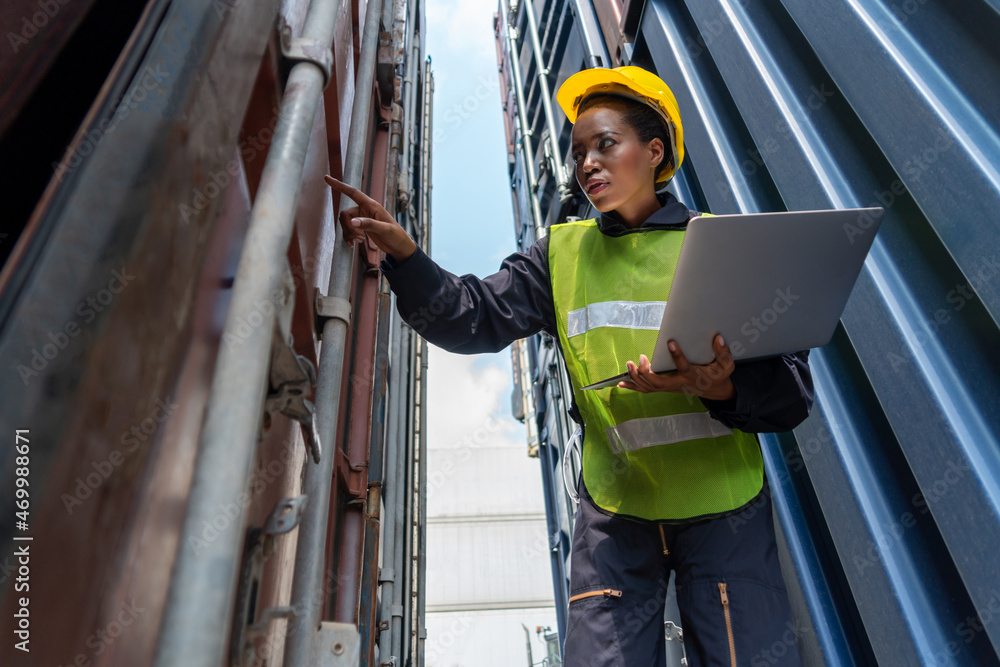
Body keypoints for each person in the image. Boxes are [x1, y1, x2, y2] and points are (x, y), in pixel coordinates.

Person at [326, 65, 813, 666]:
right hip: (615, 512)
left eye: (605, 144)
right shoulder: (559, 254)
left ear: (654, 151)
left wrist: (724, 384)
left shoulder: (720, 245)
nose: (586, 164)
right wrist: (406, 256)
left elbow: (793, 396)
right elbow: (468, 316)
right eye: (578, 151)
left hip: (724, 508)